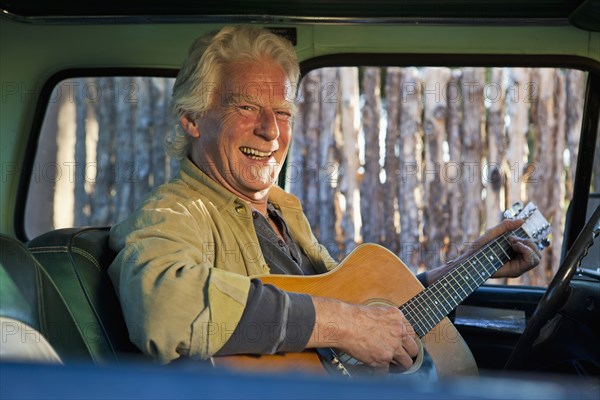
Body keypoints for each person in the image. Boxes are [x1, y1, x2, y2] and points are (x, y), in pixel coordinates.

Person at [108, 26, 541, 371]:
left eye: (282, 113)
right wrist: (347, 324)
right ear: (193, 118)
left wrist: (461, 269)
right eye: (246, 107)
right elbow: (164, 306)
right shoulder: (176, 211)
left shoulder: (283, 210)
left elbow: (353, 321)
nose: (271, 132)